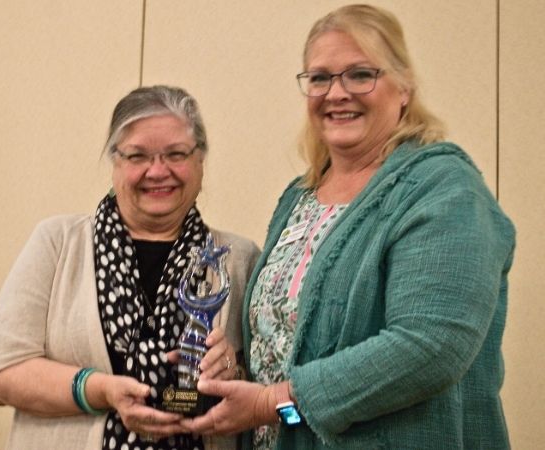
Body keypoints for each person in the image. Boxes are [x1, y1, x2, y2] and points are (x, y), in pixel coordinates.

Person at [181, 4, 515, 450]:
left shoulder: (444, 189)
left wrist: (268, 402)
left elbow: (431, 346)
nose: (336, 93)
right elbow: (284, 353)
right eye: (320, 78)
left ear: (404, 88)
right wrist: (235, 373)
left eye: (360, 75)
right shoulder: (300, 196)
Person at [0, 85, 260, 450]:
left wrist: (231, 370)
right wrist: (99, 390)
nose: (158, 171)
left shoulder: (239, 258)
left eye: (176, 154)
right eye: (138, 156)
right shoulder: (57, 244)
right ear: (115, 162)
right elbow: (0, 374)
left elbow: (264, 387)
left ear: (200, 160)